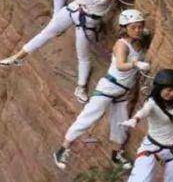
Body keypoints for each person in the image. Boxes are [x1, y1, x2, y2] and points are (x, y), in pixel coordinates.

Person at [0, 0, 135, 102]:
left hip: (90, 19)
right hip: (74, 8)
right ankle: (18, 57)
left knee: (82, 55)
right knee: (47, 32)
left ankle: (81, 87)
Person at [50, 9, 150, 171]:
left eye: (140, 26)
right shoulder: (122, 45)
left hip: (123, 92)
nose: (138, 30)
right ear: (125, 28)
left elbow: (144, 35)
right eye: (133, 27)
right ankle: (62, 150)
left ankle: (117, 154)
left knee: (121, 123)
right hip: (109, 88)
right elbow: (120, 65)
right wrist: (135, 64)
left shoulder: (137, 41)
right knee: (89, 116)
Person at [121, 69, 173, 182]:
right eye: (169, 90)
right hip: (152, 148)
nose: (172, 93)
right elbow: (143, 111)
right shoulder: (152, 103)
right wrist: (135, 119)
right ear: (159, 88)